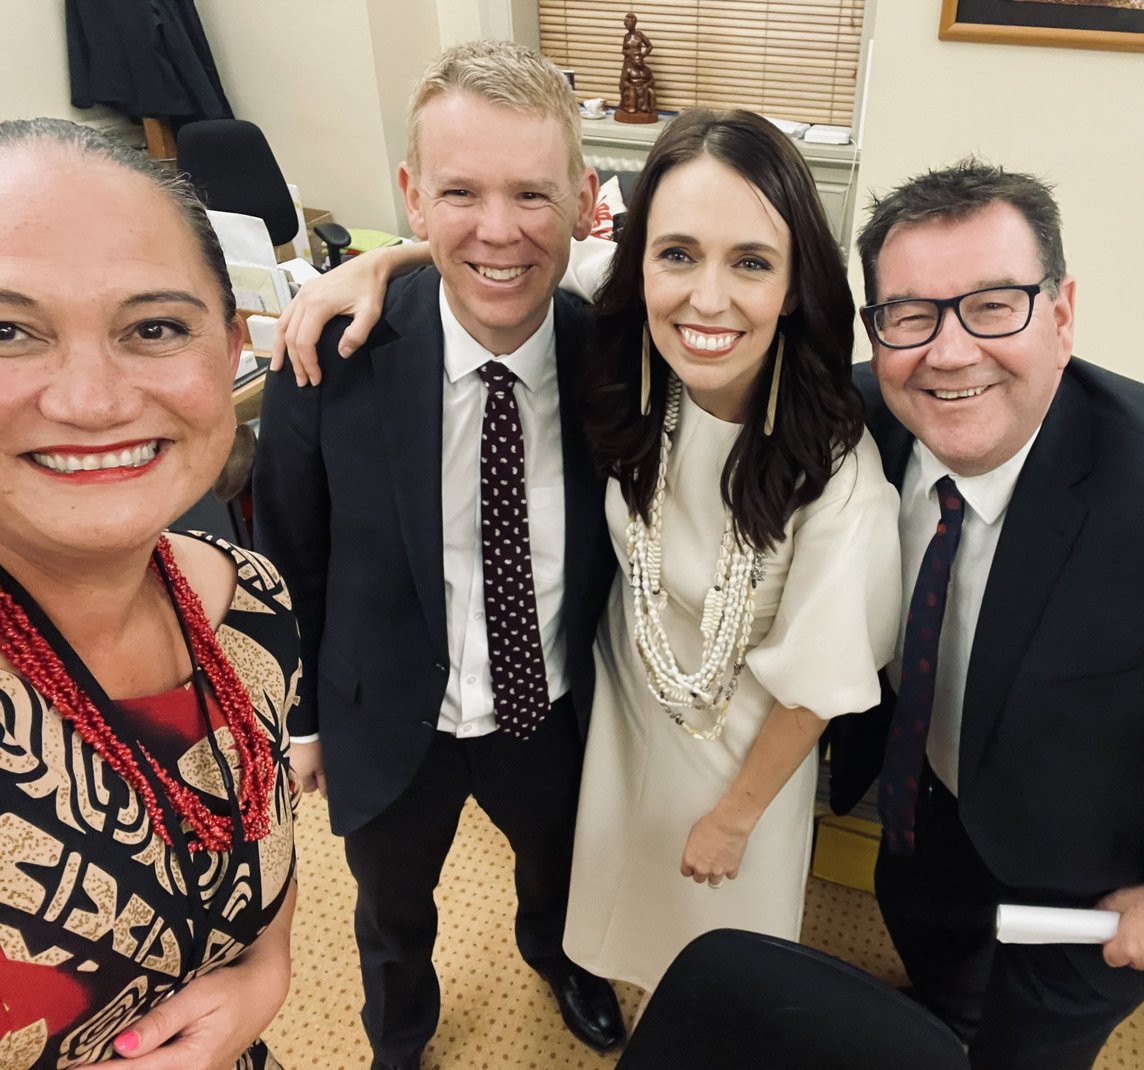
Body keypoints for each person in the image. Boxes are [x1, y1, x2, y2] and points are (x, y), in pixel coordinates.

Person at [268, 108, 902, 995]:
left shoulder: (836, 472)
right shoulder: (636, 349)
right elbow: (505, 255)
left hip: (726, 755)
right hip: (616, 725)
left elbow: (819, 680)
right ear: (642, 260)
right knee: (551, 904)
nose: (707, 296)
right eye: (677, 255)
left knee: (708, 969)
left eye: (752, 262)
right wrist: (380, 261)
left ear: (796, 283)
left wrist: (734, 817)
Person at [252, 41, 624, 1070]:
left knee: (557, 868)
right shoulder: (330, 354)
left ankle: (560, 957)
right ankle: (399, 1033)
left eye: (532, 194)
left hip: (548, 704)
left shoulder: (621, 359)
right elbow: (288, 552)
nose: (497, 230)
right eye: (460, 191)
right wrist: (304, 720)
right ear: (414, 194)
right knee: (390, 907)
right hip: (386, 710)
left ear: (586, 198)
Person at [829, 159, 1144, 1070]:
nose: (949, 352)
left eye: (995, 304)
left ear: (1062, 314)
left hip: (1105, 877)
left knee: (1026, 1051)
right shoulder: (857, 416)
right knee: (937, 972)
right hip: (927, 814)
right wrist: (419, 281)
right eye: (909, 315)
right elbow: (697, 364)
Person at [0, 118, 298, 1069]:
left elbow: (259, 836)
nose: (91, 400)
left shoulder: (246, 601)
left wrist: (268, 974)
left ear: (233, 345)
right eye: (8, 330)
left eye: (155, 326)